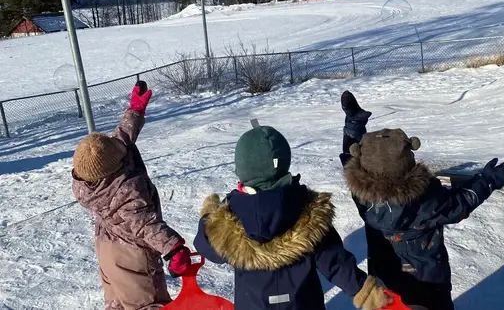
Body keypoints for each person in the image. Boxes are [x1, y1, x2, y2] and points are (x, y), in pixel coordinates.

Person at [339, 91, 504, 310]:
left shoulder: (363, 197)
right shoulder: (428, 201)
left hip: (384, 284)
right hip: (430, 285)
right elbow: (463, 201)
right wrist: (490, 179)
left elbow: (351, 160)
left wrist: (353, 126)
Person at [194, 123, 392, 310]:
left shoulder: (229, 218)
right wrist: (365, 292)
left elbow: (206, 245)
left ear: (241, 170)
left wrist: (210, 215)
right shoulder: (309, 212)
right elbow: (335, 262)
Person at [72, 81, 192, 310]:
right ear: (114, 167)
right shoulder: (125, 193)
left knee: (117, 303)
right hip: (131, 256)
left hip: (107, 249)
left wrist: (135, 111)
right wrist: (174, 249)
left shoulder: (88, 181)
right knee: (148, 303)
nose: (121, 146)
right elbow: (146, 225)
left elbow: (121, 138)